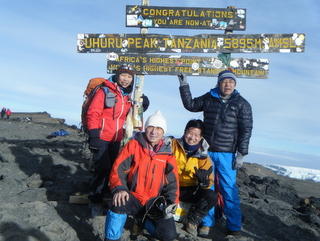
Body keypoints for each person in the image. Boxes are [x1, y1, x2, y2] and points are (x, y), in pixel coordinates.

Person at [177, 70, 253, 236]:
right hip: (207, 152)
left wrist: (242, 153)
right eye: (224, 81)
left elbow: (246, 130)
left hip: (227, 154)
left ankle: (234, 226)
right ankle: (206, 223)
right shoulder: (209, 98)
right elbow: (190, 105)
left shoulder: (242, 104)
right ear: (219, 83)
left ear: (235, 84)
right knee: (207, 188)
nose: (228, 85)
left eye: (231, 82)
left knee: (228, 189)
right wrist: (184, 85)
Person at [104, 110, 179, 241]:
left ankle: (142, 222)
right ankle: (111, 238)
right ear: (145, 128)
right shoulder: (134, 144)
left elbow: (173, 183)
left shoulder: (168, 155)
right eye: (151, 127)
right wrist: (120, 188)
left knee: (169, 235)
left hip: (153, 202)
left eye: (159, 128)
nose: (154, 131)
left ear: (163, 132)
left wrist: (171, 203)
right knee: (118, 202)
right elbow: (118, 169)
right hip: (133, 196)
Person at [85, 64, 149, 208]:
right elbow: (93, 113)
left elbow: (129, 116)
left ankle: (106, 194)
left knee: (114, 167)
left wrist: (142, 105)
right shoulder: (105, 90)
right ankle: (95, 198)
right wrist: (94, 135)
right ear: (117, 75)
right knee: (103, 168)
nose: (125, 79)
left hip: (116, 139)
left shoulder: (126, 96)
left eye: (129, 77)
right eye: (123, 75)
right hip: (101, 136)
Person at [171, 119, 216, 238]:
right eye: (190, 133)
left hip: (190, 189)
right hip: (170, 186)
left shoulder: (203, 155)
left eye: (197, 135)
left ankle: (192, 221)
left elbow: (209, 179)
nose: (192, 138)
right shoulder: (172, 145)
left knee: (211, 196)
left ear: (201, 137)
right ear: (185, 132)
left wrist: (204, 183)